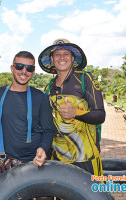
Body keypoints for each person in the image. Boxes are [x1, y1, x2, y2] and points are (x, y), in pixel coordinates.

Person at [0, 51, 55, 200]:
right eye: (19, 66)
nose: (24, 71)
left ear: (33, 72)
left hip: (37, 162)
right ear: (12, 67)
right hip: (9, 163)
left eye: (29, 68)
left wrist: (43, 148)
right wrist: (0, 149)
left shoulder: (40, 97)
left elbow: (49, 129)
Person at [38, 38, 105, 177]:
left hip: (86, 158)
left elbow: (100, 115)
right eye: (57, 54)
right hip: (58, 159)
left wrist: (76, 113)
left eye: (66, 54)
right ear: (52, 59)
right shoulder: (49, 86)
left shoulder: (85, 79)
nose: (62, 57)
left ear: (73, 58)